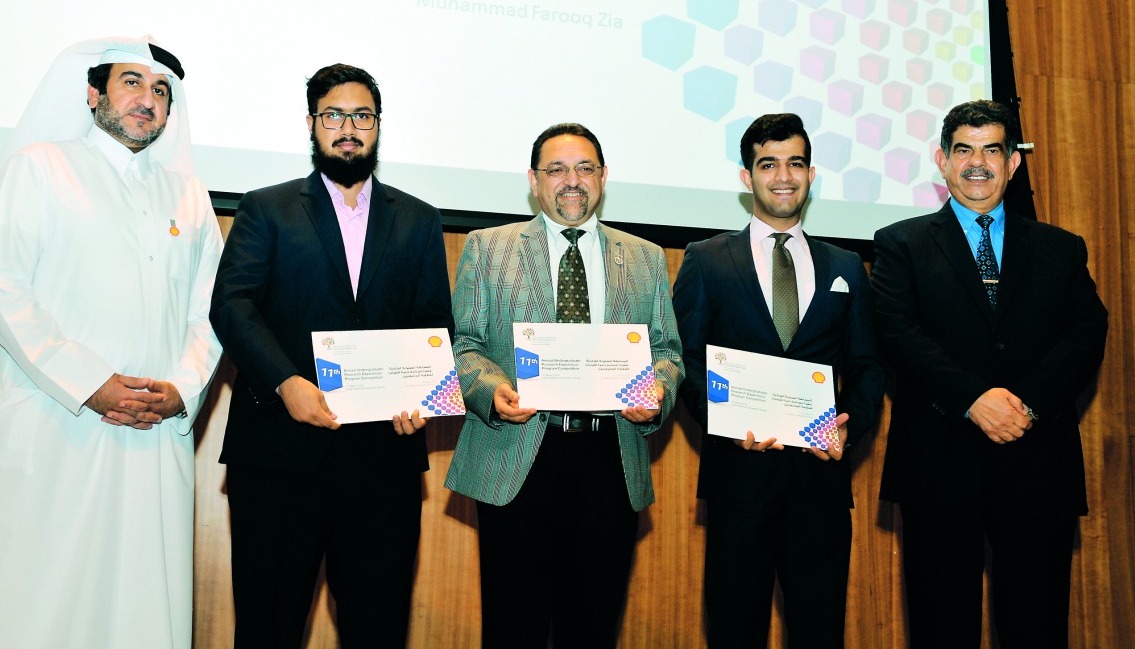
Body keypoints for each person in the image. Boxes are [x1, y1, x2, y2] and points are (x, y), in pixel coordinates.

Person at [0, 36, 222, 649]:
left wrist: (180, 390)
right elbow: (3, 287)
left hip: (151, 434)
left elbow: (210, 314)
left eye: (161, 91)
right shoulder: (40, 166)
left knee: (139, 606)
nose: (147, 100)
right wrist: (90, 383)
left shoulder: (190, 197)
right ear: (95, 92)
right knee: (34, 597)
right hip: (52, 425)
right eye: (132, 82)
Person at [209, 63, 453, 649]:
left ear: (377, 126)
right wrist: (285, 383)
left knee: (379, 628)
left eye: (362, 116)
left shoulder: (417, 219)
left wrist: (422, 398)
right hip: (277, 456)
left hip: (382, 462)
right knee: (268, 628)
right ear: (313, 125)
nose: (349, 128)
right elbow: (232, 304)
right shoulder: (266, 208)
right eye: (334, 116)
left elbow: (433, 325)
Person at [871, 99, 1108, 648]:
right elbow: (897, 333)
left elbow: (1086, 334)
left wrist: (1024, 403)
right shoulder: (899, 243)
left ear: (1012, 163)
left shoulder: (1061, 249)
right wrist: (975, 399)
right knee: (940, 626)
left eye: (992, 150)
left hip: (1037, 464)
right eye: (964, 150)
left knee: (1037, 626)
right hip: (939, 463)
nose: (978, 163)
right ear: (942, 160)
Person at [444, 122, 684, 649]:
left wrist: (659, 391)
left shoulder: (645, 256)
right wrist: (491, 390)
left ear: (603, 177)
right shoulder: (488, 247)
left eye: (584, 168)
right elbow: (464, 345)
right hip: (518, 455)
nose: (571, 181)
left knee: (592, 629)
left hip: (610, 457)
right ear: (533, 180)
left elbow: (667, 353)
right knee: (513, 629)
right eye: (556, 169)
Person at [672, 113, 886, 648]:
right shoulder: (707, 259)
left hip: (820, 487)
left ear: (811, 174)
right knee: (733, 628)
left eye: (795, 163)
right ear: (748, 177)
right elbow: (686, 360)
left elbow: (866, 367)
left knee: (819, 632)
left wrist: (848, 428)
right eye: (768, 164)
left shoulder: (846, 266)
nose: (783, 175)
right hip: (738, 478)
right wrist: (724, 421)